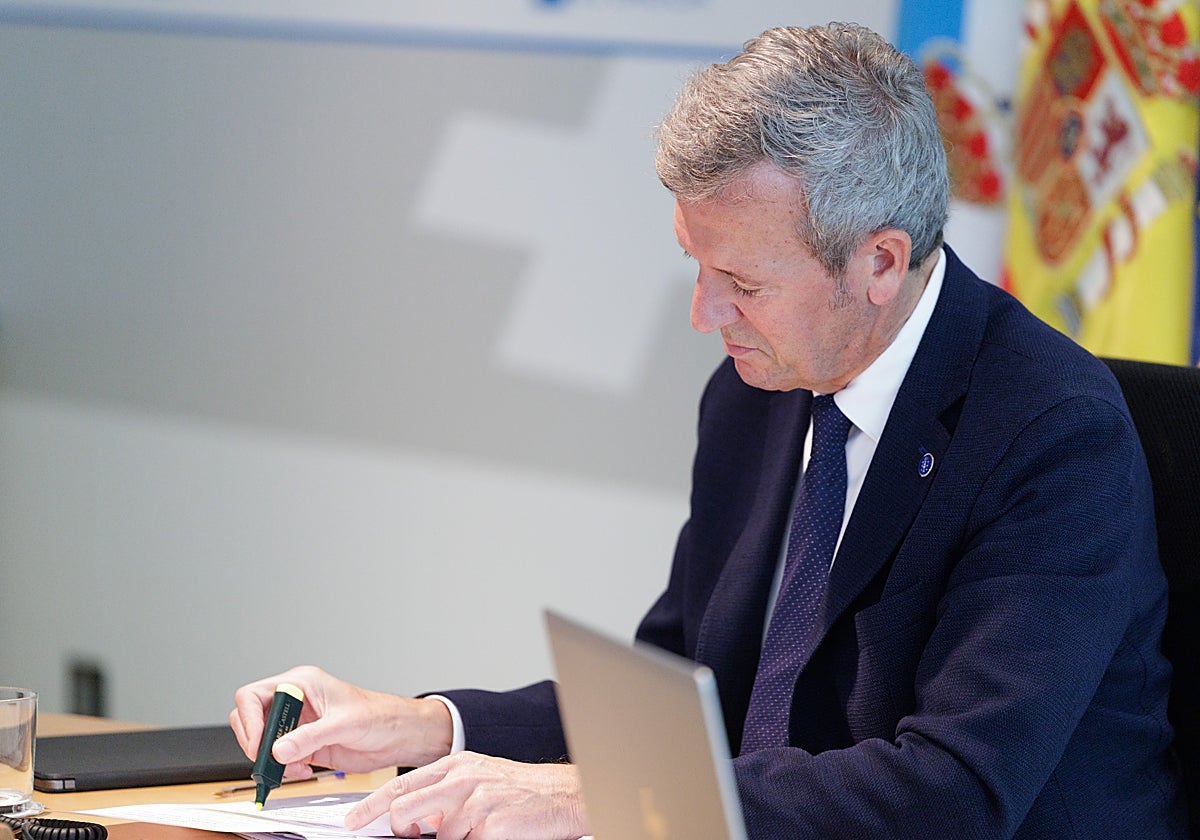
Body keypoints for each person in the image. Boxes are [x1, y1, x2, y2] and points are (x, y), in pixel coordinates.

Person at [231, 22, 1187, 838]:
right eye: (698, 266)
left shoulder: (1052, 435)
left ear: (881, 263)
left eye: (743, 284)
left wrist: (594, 797)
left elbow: (953, 791)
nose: (704, 314)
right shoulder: (755, 393)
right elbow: (681, 704)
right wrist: (430, 725)